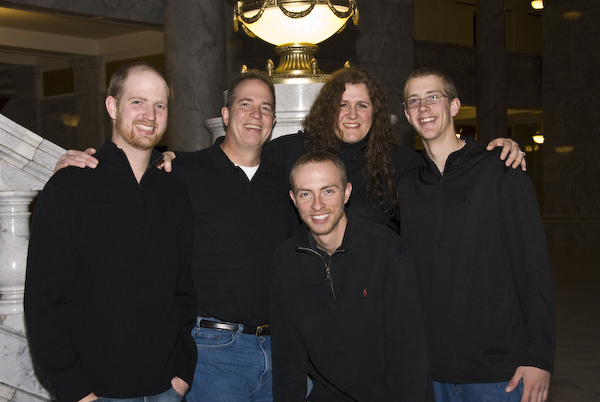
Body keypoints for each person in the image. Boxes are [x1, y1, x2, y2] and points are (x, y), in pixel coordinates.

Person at [56, 66, 526, 234]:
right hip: (309, 310)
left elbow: (450, 168)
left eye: (363, 105)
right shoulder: (289, 152)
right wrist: (163, 157)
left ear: (379, 112)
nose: (352, 114)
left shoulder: (404, 163)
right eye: (342, 104)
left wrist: (497, 147)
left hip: (379, 312)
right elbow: (232, 158)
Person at [24, 62, 197, 402]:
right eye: (138, 102)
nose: (150, 115)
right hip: (95, 394)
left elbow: (183, 290)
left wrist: (182, 374)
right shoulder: (69, 187)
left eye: (160, 105)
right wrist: (77, 391)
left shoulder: (174, 193)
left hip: (167, 389)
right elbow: (43, 302)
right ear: (112, 106)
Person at [398, 66, 555, 402]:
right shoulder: (406, 186)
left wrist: (539, 357)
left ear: (454, 105)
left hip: (498, 375)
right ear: (407, 115)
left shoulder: (500, 168)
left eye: (433, 97)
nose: (423, 108)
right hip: (430, 374)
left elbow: (534, 268)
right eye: (414, 101)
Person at [170, 70, 298, 402]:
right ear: (226, 115)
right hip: (213, 354)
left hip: (279, 353)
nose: (256, 115)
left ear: (273, 121)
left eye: (265, 108)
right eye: (246, 104)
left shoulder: (284, 184)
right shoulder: (184, 173)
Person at [270, 150, 431, 402]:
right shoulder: (286, 259)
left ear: (346, 192)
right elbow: (287, 359)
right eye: (306, 194)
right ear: (293, 199)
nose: (317, 205)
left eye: (328, 191)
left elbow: (408, 356)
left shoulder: (387, 251)